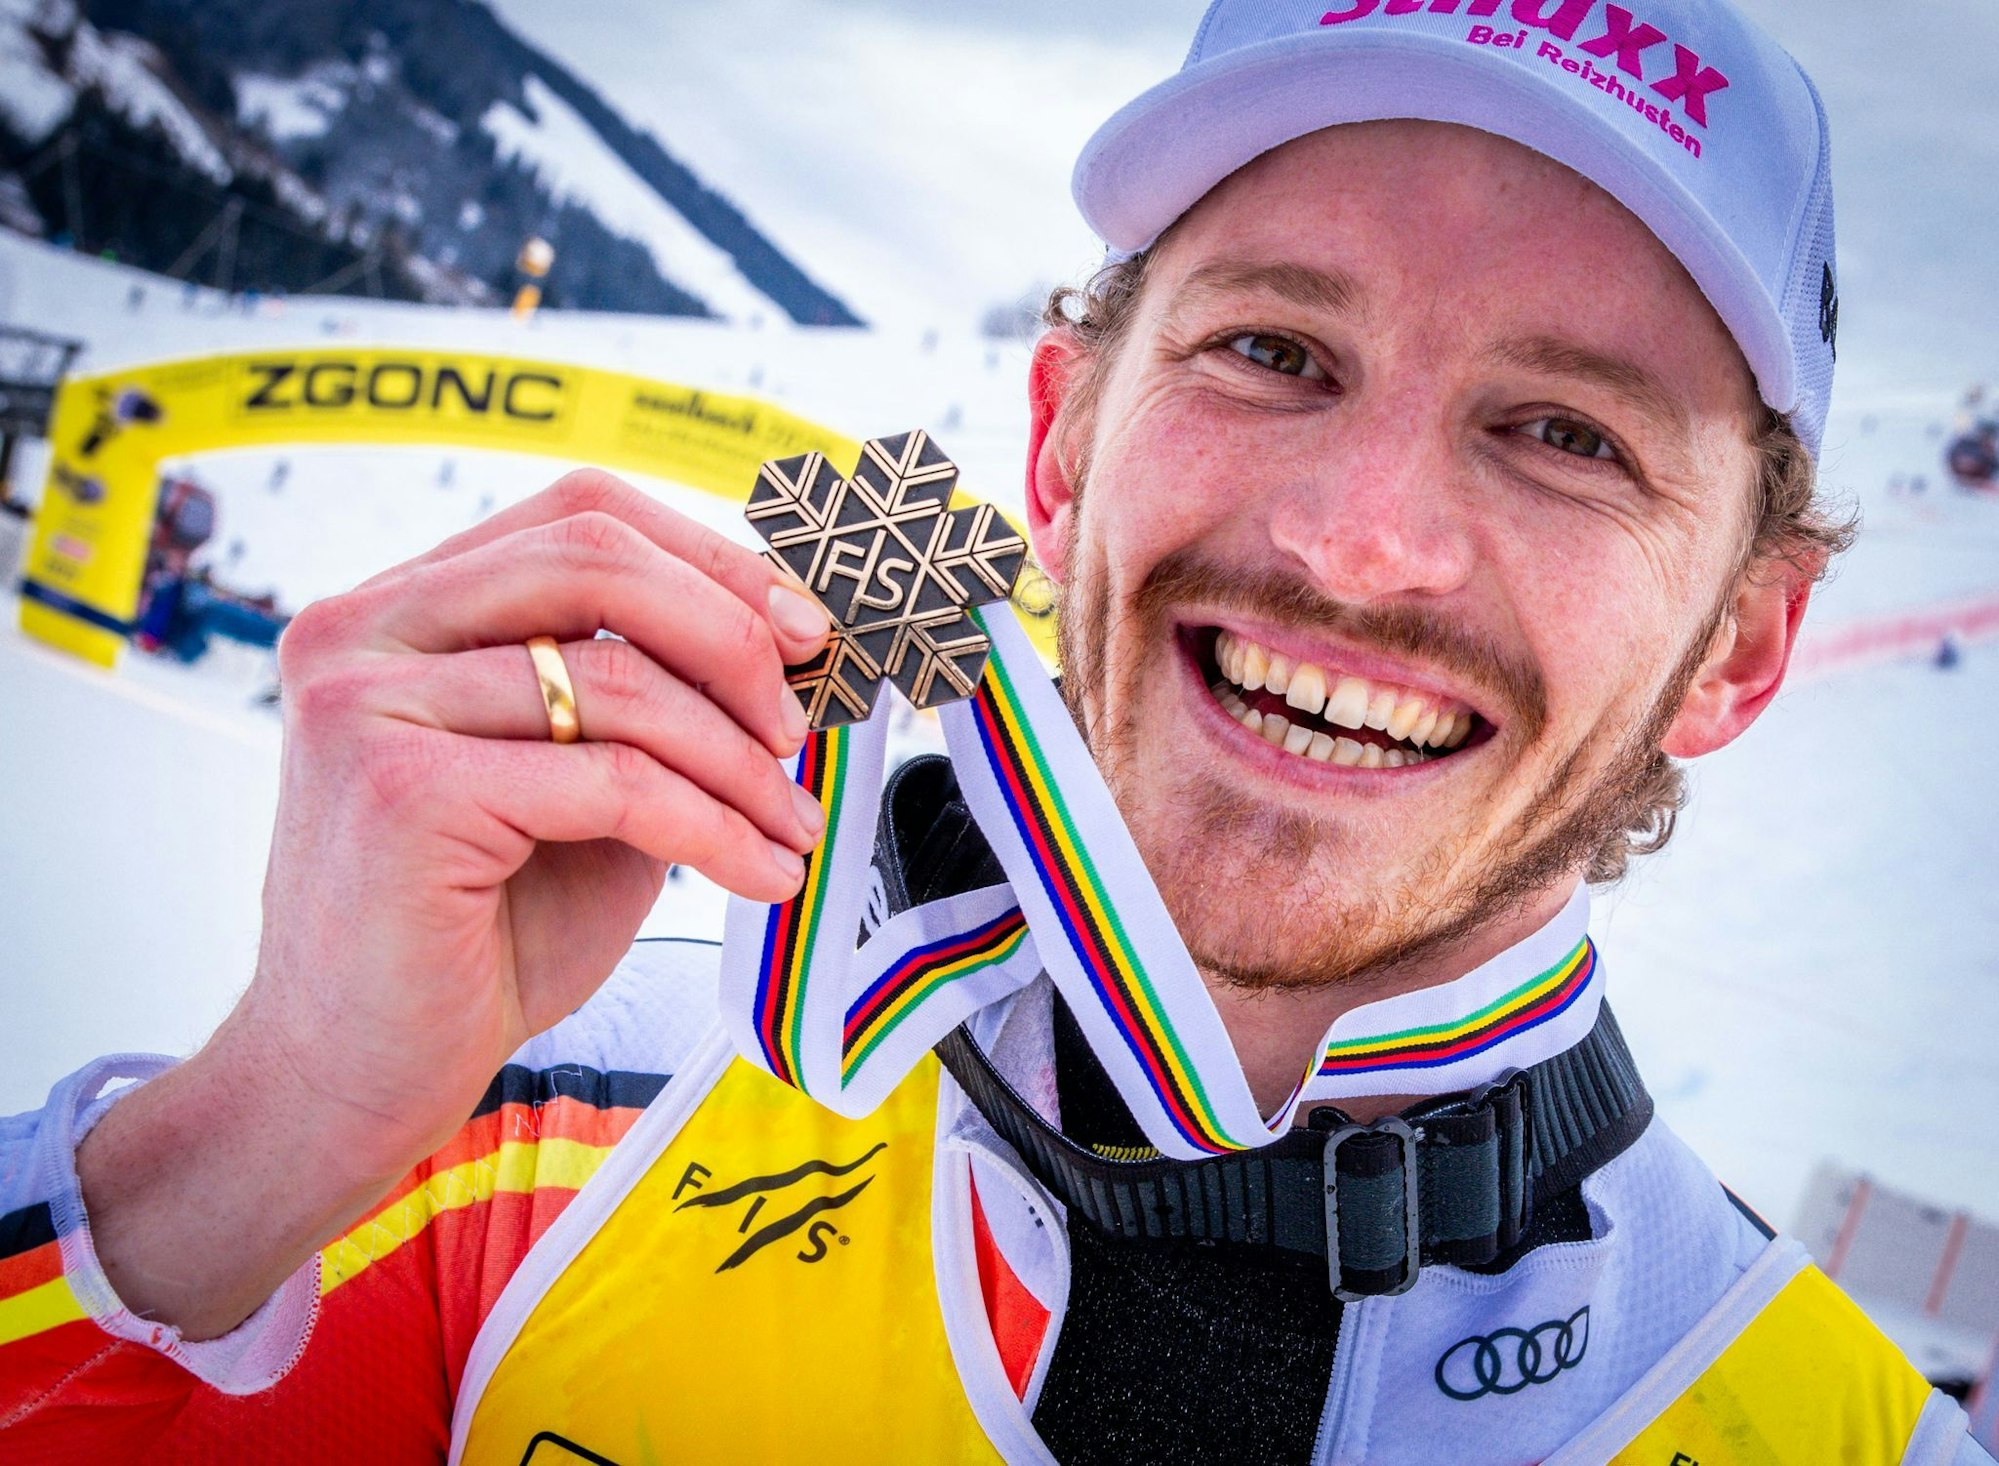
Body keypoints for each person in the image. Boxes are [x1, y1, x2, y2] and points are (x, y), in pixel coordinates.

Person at [3, 1, 1991, 1462]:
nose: (1360, 537)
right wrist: (267, 1125)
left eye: (1566, 434)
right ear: (1055, 446)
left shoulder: (1841, 1436)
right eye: (1271, 348)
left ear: (1743, 643)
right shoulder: (508, 1136)